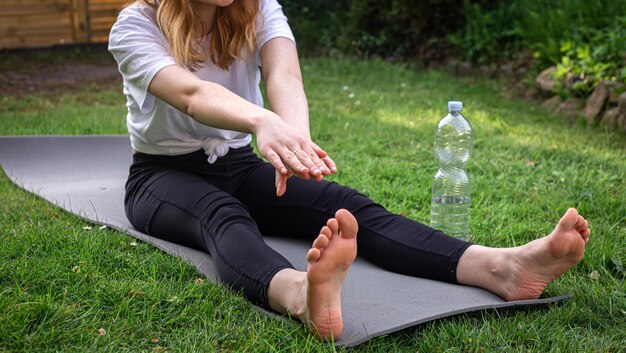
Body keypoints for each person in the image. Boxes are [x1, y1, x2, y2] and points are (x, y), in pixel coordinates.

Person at [108, 0, 590, 340]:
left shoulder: (258, 8)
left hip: (238, 163)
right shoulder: (134, 25)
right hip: (162, 176)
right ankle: (299, 295)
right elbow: (190, 94)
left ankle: (502, 268)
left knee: (349, 207)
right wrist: (262, 121)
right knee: (222, 215)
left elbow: (284, 75)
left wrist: (293, 143)